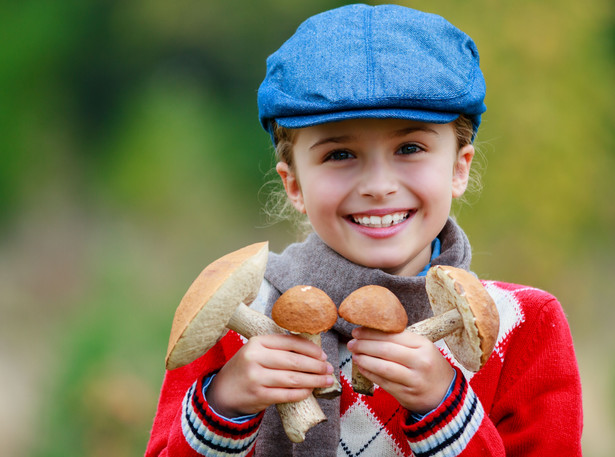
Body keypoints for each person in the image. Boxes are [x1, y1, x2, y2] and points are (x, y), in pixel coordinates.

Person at [144, 4, 583, 456]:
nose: (378, 186)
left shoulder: (525, 327)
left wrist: (445, 406)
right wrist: (223, 405)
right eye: (339, 154)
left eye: (409, 147)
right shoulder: (234, 320)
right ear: (294, 183)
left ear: (459, 166)